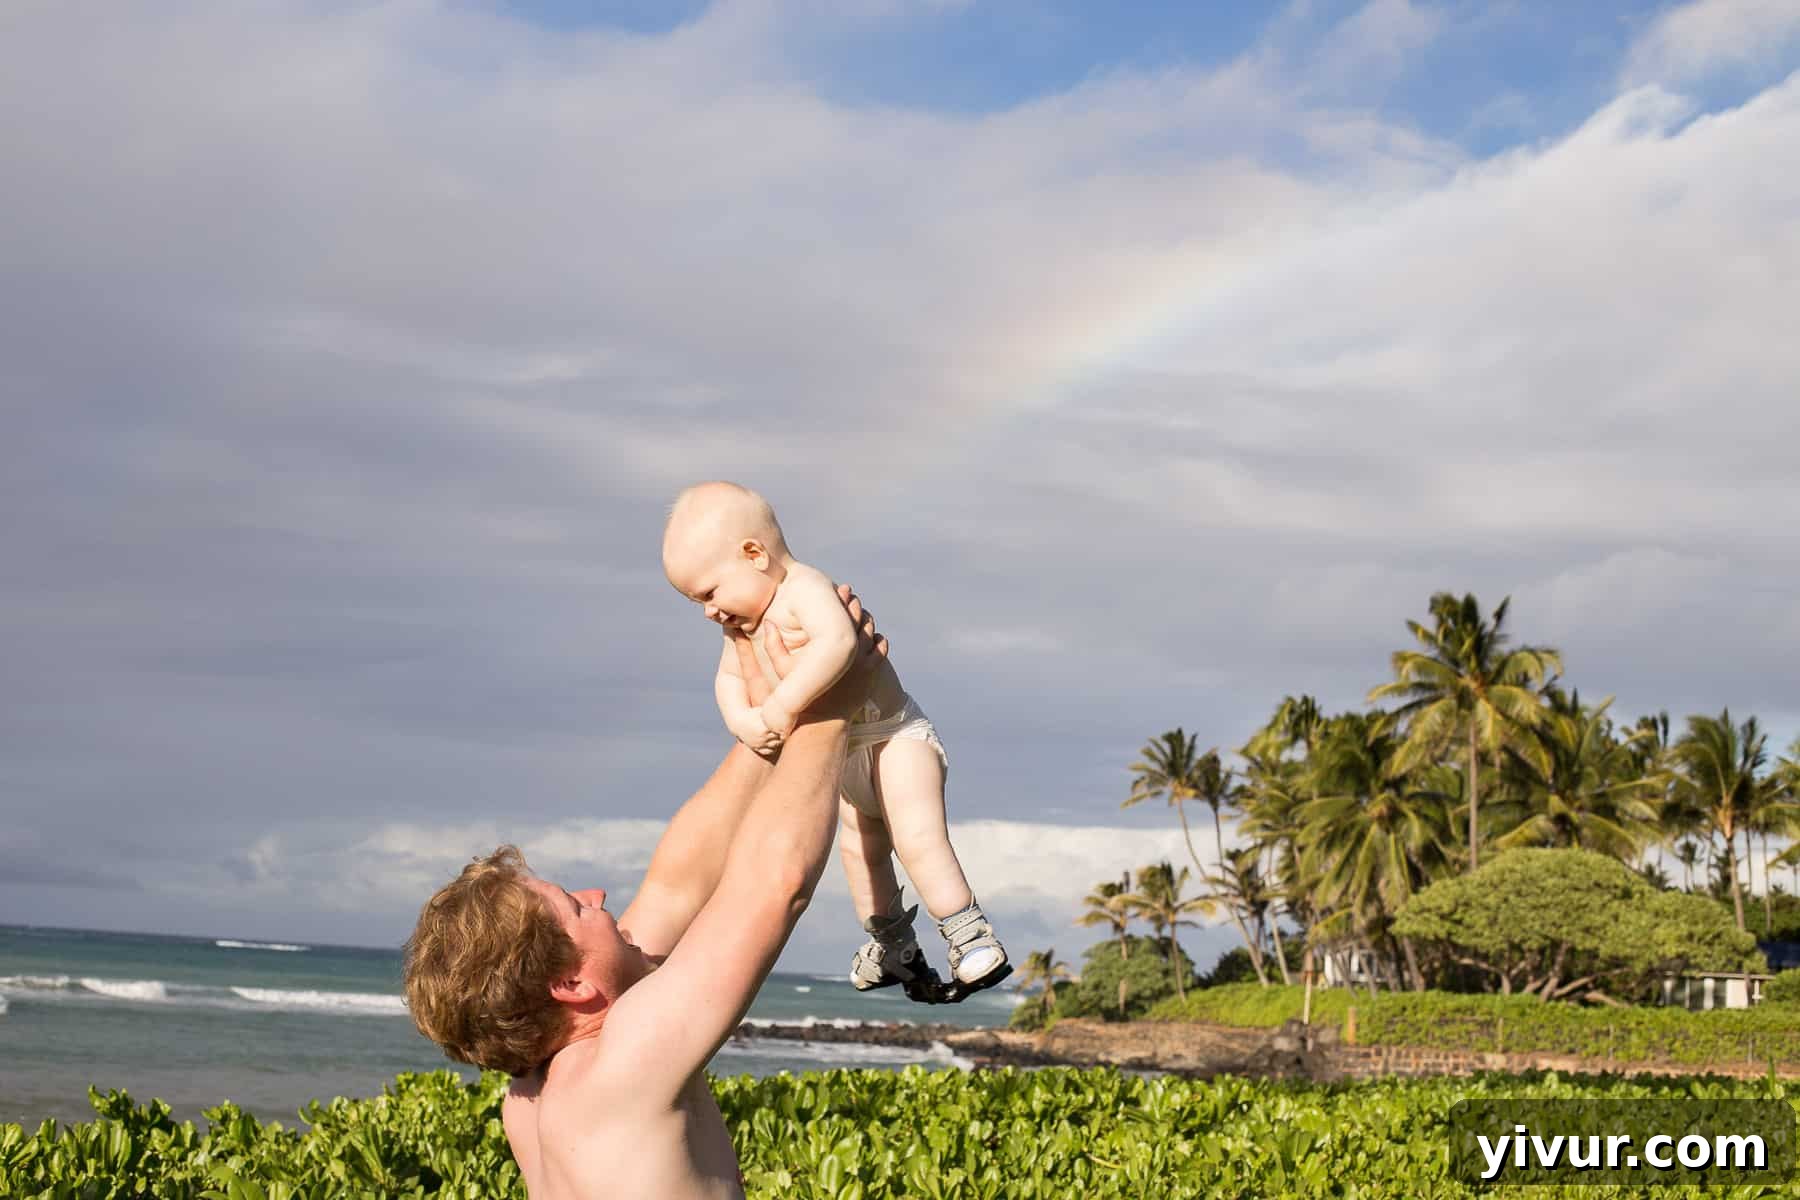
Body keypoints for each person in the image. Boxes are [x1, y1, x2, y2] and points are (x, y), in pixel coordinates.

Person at [404, 587, 887, 1199]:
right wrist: (833, 701)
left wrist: (773, 708)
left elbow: (677, 882)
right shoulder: (625, 1064)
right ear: (572, 985)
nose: (600, 896)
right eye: (576, 907)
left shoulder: (532, 1098)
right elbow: (774, 887)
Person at [660, 481, 1010, 999]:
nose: (710, 612)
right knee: (859, 853)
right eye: (697, 603)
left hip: (895, 737)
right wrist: (744, 721)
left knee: (916, 837)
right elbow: (729, 681)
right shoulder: (743, 630)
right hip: (846, 752)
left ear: (754, 554)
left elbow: (839, 643)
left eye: (710, 593)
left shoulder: (804, 589)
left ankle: (969, 936)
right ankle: (894, 946)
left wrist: (780, 706)